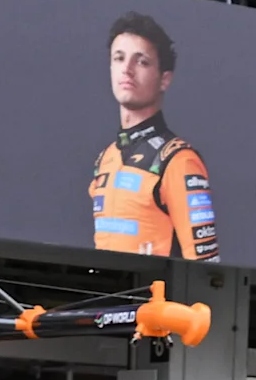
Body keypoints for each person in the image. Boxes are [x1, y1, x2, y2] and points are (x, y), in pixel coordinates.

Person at [93, 15, 217, 259]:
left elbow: (205, 264)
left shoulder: (178, 160)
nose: (126, 70)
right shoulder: (106, 157)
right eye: (119, 58)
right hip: (106, 292)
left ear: (164, 79)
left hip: (155, 295)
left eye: (142, 62)